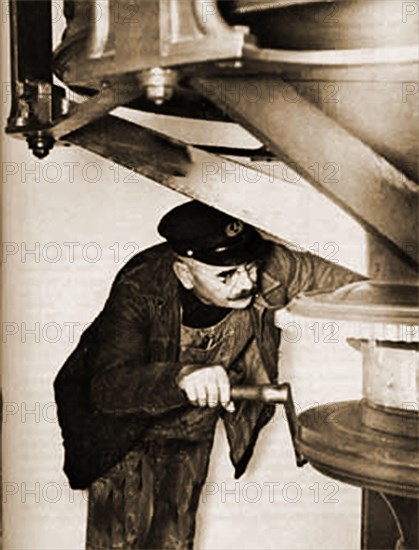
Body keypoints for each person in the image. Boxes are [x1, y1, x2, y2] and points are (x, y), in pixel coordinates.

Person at [54, 200, 363, 549]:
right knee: (120, 540)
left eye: (249, 267)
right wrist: (182, 376)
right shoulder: (140, 286)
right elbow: (108, 387)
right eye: (226, 275)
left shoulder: (271, 266)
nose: (246, 283)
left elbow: (356, 285)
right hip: (123, 430)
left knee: (175, 538)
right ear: (185, 274)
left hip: (191, 429)